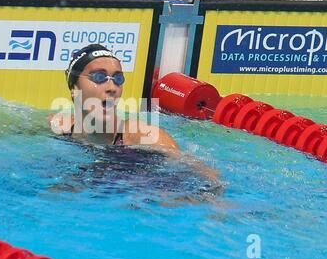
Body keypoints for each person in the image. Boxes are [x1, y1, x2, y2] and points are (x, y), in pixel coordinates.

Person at [48, 44, 219, 181]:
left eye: (118, 79)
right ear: (74, 89)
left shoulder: (147, 137)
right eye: (98, 77)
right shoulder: (61, 125)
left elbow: (204, 175)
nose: (111, 88)